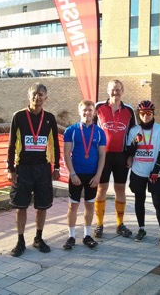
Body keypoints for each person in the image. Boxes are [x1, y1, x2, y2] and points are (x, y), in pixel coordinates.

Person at [7, 83, 61, 257]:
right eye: (34, 94)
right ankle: (20, 240)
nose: (37, 97)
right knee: (20, 206)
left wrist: (57, 166)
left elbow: (55, 143)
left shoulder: (50, 118)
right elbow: (10, 144)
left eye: (41, 94)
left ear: (46, 97)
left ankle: (38, 238)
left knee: (42, 206)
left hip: (43, 168)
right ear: (28, 96)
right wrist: (10, 168)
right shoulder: (19, 116)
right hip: (23, 168)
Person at [126, 100, 160, 250]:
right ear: (139, 115)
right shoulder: (134, 130)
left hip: (155, 172)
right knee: (139, 200)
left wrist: (156, 170)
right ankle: (141, 229)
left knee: (159, 203)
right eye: (142, 113)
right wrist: (134, 143)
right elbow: (128, 153)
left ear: (153, 114)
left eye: (149, 113)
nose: (146, 116)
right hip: (138, 171)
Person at [93, 80, 136, 238]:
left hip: (121, 156)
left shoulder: (129, 110)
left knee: (120, 189)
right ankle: (99, 224)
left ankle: (120, 224)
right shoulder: (98, 107)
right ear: (107, 90)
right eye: (112, 90)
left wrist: (131, 155)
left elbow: (134, 135)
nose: (115, 93)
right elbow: (90, 128)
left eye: (118, 90)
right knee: (101, 189)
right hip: (103, 155)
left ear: (122, 91)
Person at [62, 100, 106, 250]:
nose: (87, 113)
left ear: (94, 113)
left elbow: (102, 155)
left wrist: (98, 175)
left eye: (90, 110)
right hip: (76, 174)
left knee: (89, 204)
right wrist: (72, 173)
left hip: (92, 175)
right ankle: (71, 236)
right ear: (80, 111)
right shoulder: (71, 130)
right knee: (73, 205)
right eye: (84, 110)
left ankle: (87, 235)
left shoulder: (100, 132)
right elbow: (66, 154)